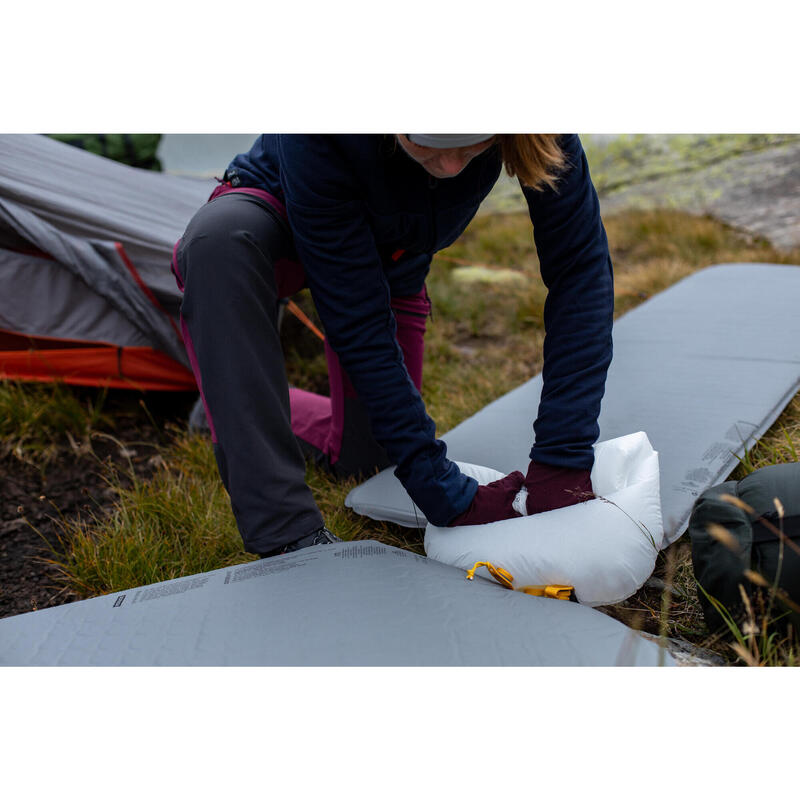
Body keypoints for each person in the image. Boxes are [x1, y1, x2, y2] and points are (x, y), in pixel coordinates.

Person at [172, 134, 614, 557]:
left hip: (387, 266)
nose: (451, 166)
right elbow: (358, 318)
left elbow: (580, 269)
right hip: (276, 225)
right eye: (430, 144)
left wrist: (563, 456)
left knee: (370, 461)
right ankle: (287, 534)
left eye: (473, 146)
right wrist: (438, 486)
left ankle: (238, 407)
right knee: (219, 241)